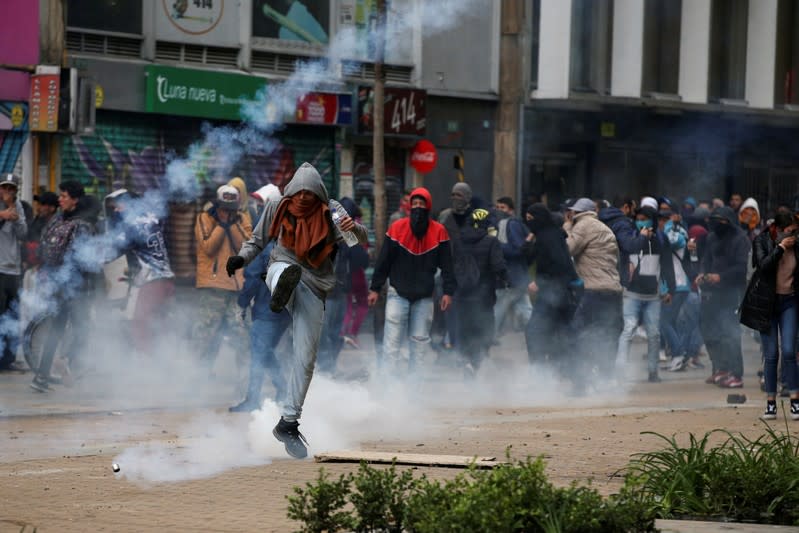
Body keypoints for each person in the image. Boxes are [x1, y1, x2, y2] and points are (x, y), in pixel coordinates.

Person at [227, 162, 367, 459]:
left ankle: (288, 422)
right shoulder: (278, 205)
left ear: (319, 194)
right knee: (280, 270)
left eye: (310, 194)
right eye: (298, 193)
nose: (303, 199)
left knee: (306, 358)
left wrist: (353, 228)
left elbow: (359, 241)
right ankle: (281, 290)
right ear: (291, 192)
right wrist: (240, 259)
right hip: (283, 267)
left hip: (314, 285)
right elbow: (258, 240)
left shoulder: (332, 211)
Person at [368, 187, 455, 377]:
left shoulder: (439, 231)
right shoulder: (397, 228)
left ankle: (414, 390)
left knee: (419, 344)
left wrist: (448, 292)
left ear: (428, 206)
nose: (417, 207)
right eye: (414, 204)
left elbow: (448, 265)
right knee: (391, 344)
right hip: (397, 293)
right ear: (408, 206)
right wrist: (375, 288)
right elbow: (383, 261)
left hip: (424, 296)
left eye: (421, 204)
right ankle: (388, 386)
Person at [30, 181, 95, 392]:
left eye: (64, 196)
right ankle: (67, 360)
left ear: (75, 200)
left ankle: (41, 376)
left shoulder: (57, 222)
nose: (60, 199)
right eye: (61, 195)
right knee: (84, 328)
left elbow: (41, 251)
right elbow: (83, 261)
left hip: (57, 285)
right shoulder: (82, 225)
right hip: (74, 288)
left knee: (56, 330)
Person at [739, 211, 799, 420]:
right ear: (779, 230)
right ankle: (771, 403)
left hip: (789, 301)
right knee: (771, 355)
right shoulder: (762, 241)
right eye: (791, 231)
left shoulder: (797, 246)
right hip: (767, 305)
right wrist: (780, 249)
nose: (794, 235)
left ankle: (795, 401)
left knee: (790, 351)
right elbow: (763, 266)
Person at [104, 189, 176, 355]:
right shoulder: (152, 218)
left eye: (118, 206)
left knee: (140, 324)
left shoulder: (132, 225)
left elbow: (112, 251)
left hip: (151, 282)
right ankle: (168, 362)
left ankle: (146, 367)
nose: (115, 210)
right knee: (161, 323)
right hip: (167, 280)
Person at [563, 198, 623, 389]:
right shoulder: (605, 228)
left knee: (578, 334)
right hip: (613, 290)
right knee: (607, 335)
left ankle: (580, 382)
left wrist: (566, 227)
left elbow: (567, 250)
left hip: (593, 290)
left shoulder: (583, 226)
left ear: (577, 213)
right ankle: (606, 379)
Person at [193, 184, 253, 367]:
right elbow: (208, 247)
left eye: (230, 209)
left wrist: (232, 224)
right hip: (212, 288)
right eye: (224, 208)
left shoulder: (241, 219)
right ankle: (198, 379)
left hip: (236, 288)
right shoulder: (204, 218)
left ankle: (245, 384)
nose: (227, 212)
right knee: (205, 336)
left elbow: (246, 248)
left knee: (243, 336)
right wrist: (220, 225)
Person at [615, 206, 675, 383]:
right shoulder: (631, 237)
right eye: (638, 218)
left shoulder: (661, 239)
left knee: (654, 334)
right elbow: (626, 253)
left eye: (645, 218)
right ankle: (620, 370)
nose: (641, 221)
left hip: (653, 296)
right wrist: (642, 237)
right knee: (628, 330)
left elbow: (667, 265)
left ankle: (653, 371)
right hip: (632, 293)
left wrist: (670, 289)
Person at [229, 240, 290, 412]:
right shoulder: (296, 243)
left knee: (258, 354)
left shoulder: (263, 247)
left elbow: (253, 279)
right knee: (266, 351)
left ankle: (253, 400)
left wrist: (242, 304)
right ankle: (283, 390)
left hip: (267, 309)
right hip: (288, 311)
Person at [523, 203, 580, 374]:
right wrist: (530, 237)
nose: (529, 223)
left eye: (531, 220)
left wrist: (540, 282)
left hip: (555, 292)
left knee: (534, 331)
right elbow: (526, 256)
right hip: (555, 292)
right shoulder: (545, 235)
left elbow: (559, 264)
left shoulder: (550, 236)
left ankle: (540, 370)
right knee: (558, 331)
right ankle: (560, 370)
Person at [697, 207, 750, 388]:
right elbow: (706, 259)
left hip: (732, 291)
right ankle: (720, 368)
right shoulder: (712, 237)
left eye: (719, 220)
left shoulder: (740, 239)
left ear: (727, 221)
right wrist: (703, 274)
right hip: (712, 292)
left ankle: (736, 373)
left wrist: (721, 276)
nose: (715, 224)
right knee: (710, 330)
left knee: (730, 332)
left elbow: (742, 268)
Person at [451, 208, 507, 375]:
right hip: (483, 297)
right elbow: (498, 266)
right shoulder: (491, 242)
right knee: (484, 330)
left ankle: (465, 361)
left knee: (465, 330)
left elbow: (451, 265)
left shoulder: (458, 241)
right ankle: (476, 363)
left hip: (462, 296)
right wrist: (507, 279)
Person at [492, 196, 532, 340]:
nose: (499, 210)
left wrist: (497, 247)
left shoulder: (510, 224)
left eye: (502, 208)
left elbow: (517, 249)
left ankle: (489, 337)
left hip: (510, 276)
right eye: (497, 207)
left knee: (499, 308)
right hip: (518, 275)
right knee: (525, 308)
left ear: (511, 210)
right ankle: (537, 333)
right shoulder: (506, 223)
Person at [0, 174, 27, 371]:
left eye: (12, 189)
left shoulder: (19, 206)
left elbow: (23, 234)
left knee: (13, 315)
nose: (8, 192)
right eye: (5, 188)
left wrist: (16, 219)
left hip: (14, 270)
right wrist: (2, 215)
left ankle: (8, 358)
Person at [339, 197, 369, 349]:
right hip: (357, 272)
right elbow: (364, 248)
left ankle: (342, 333)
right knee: (363, 303)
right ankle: (352, 333)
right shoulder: (358, 225)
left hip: (344, 271)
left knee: (348, 303)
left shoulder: (337, 224)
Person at [25, 191, 58, 267]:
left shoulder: (59, 226)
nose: (38, 208)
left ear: (52, 208)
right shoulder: (37, 220)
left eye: (42, 205)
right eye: (38, 204)